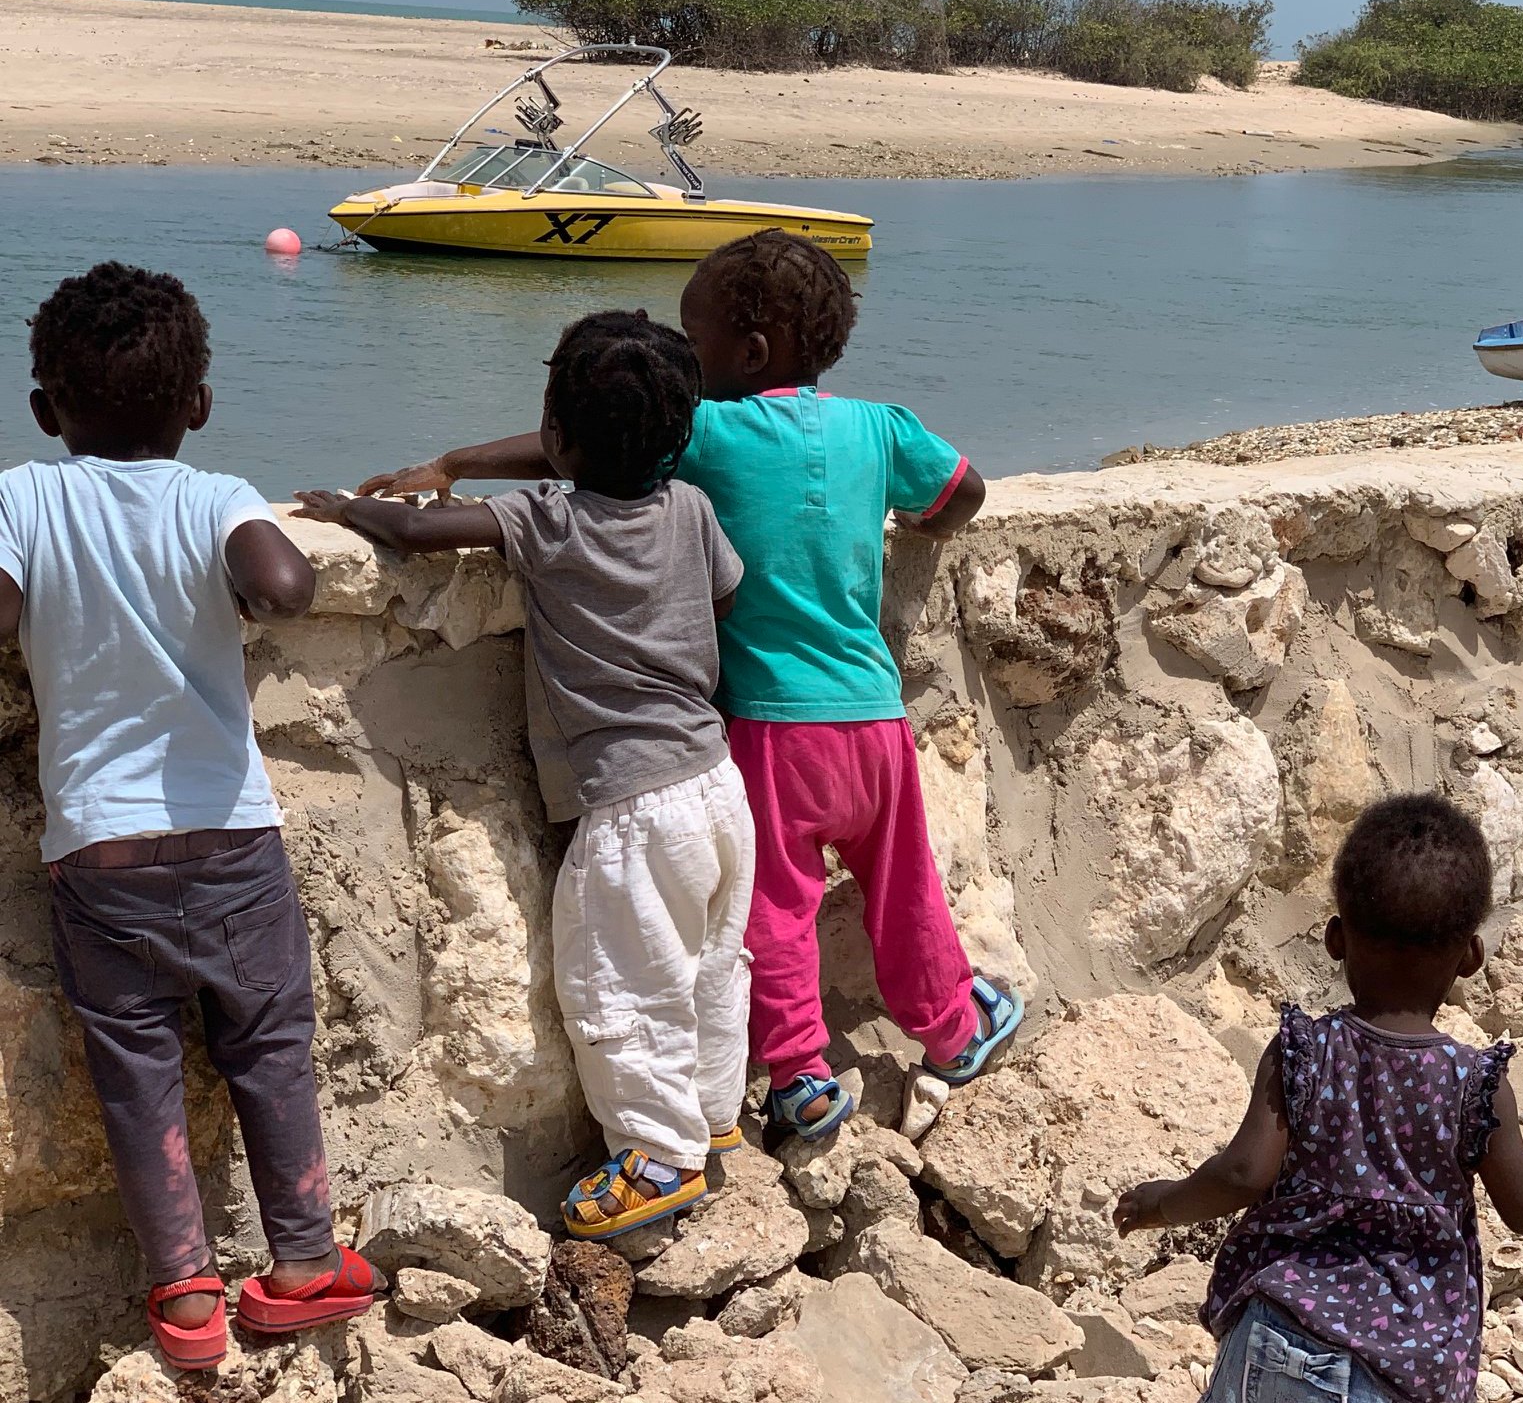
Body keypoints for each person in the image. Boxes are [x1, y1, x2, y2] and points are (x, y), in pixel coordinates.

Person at [352, 231, 1019, 1140]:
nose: (685, 363)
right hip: (875, 718)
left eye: (694, 341)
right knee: (907, 888)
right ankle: (951, 1031)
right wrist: (917, 529)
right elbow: (962, 493)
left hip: (771, 731)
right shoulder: (881, 427)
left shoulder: (709, 430)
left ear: (751, 352)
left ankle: (798, 1073)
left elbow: (582, 445)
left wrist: (457, 461)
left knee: (776, 910)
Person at [295, 313, 753, 1240]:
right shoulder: (693, 510)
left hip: (630, 805)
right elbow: (727, 592)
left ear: (554, 433)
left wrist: (349, 511)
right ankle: (712, 1115)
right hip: (714, 780)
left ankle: (659, 1154)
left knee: (618, 982)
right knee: (709, 964)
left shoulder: (549, 519)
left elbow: (415, 533)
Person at [5, 263, 381, 1370]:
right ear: (201, 403)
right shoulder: (218, 495)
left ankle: (184, 1296)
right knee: (268, 1045)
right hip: (232, 838)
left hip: (99, 851)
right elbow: (289, 588)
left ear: (45, 410)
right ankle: (303, 1264)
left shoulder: (23, 496)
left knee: (135, 1066)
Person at [1115, 794, 1523, 1403]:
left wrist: (1161, 1204)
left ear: (1335, 939)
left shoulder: (1303, 1053)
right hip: (1403, 1366)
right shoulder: (1474, 1085)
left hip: (1278, 1334)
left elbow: (1242, 1173)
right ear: (1472, 957)